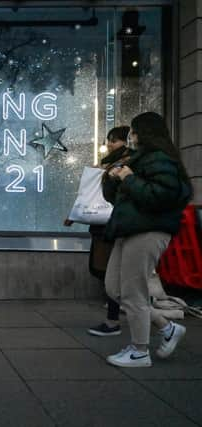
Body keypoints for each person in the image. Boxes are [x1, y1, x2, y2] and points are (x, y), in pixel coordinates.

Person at [103, 112, 192, 368]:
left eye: (133, 131)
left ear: (144, 133)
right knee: (114, 288)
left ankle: (139, 351)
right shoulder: (139, 159)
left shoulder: (160, 159)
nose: (131, 136)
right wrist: (112, 179)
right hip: (129, 229)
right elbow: (118, 197)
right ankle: (167, 328)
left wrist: (129, 178)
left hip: (148, 230)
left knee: (133, 291)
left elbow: (159, 196)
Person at [84, 126, 133, 337]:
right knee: (102, 269)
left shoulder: (126, 163)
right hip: (104, 223)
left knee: (108, 273)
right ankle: (118, 313)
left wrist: (106, 174)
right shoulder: (111, 163)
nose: (109, 144)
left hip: (111, 224)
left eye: (114, 140)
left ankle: (114, 319)